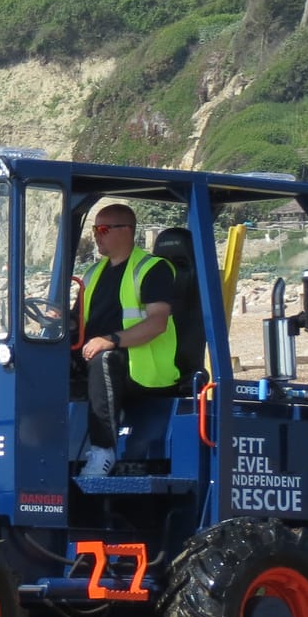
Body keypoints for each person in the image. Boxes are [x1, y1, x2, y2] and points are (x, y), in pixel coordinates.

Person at [74, 203, 178, 477]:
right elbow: (78, 322)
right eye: (95, 229)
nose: (97, 235)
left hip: (143, 367)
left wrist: (110, 340)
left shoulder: (152, 269)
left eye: (104, 229)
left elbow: (157, 323)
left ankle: (102, 452)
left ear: (127, 231)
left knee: (103, 360)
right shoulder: (93, 273)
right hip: (98, 354)